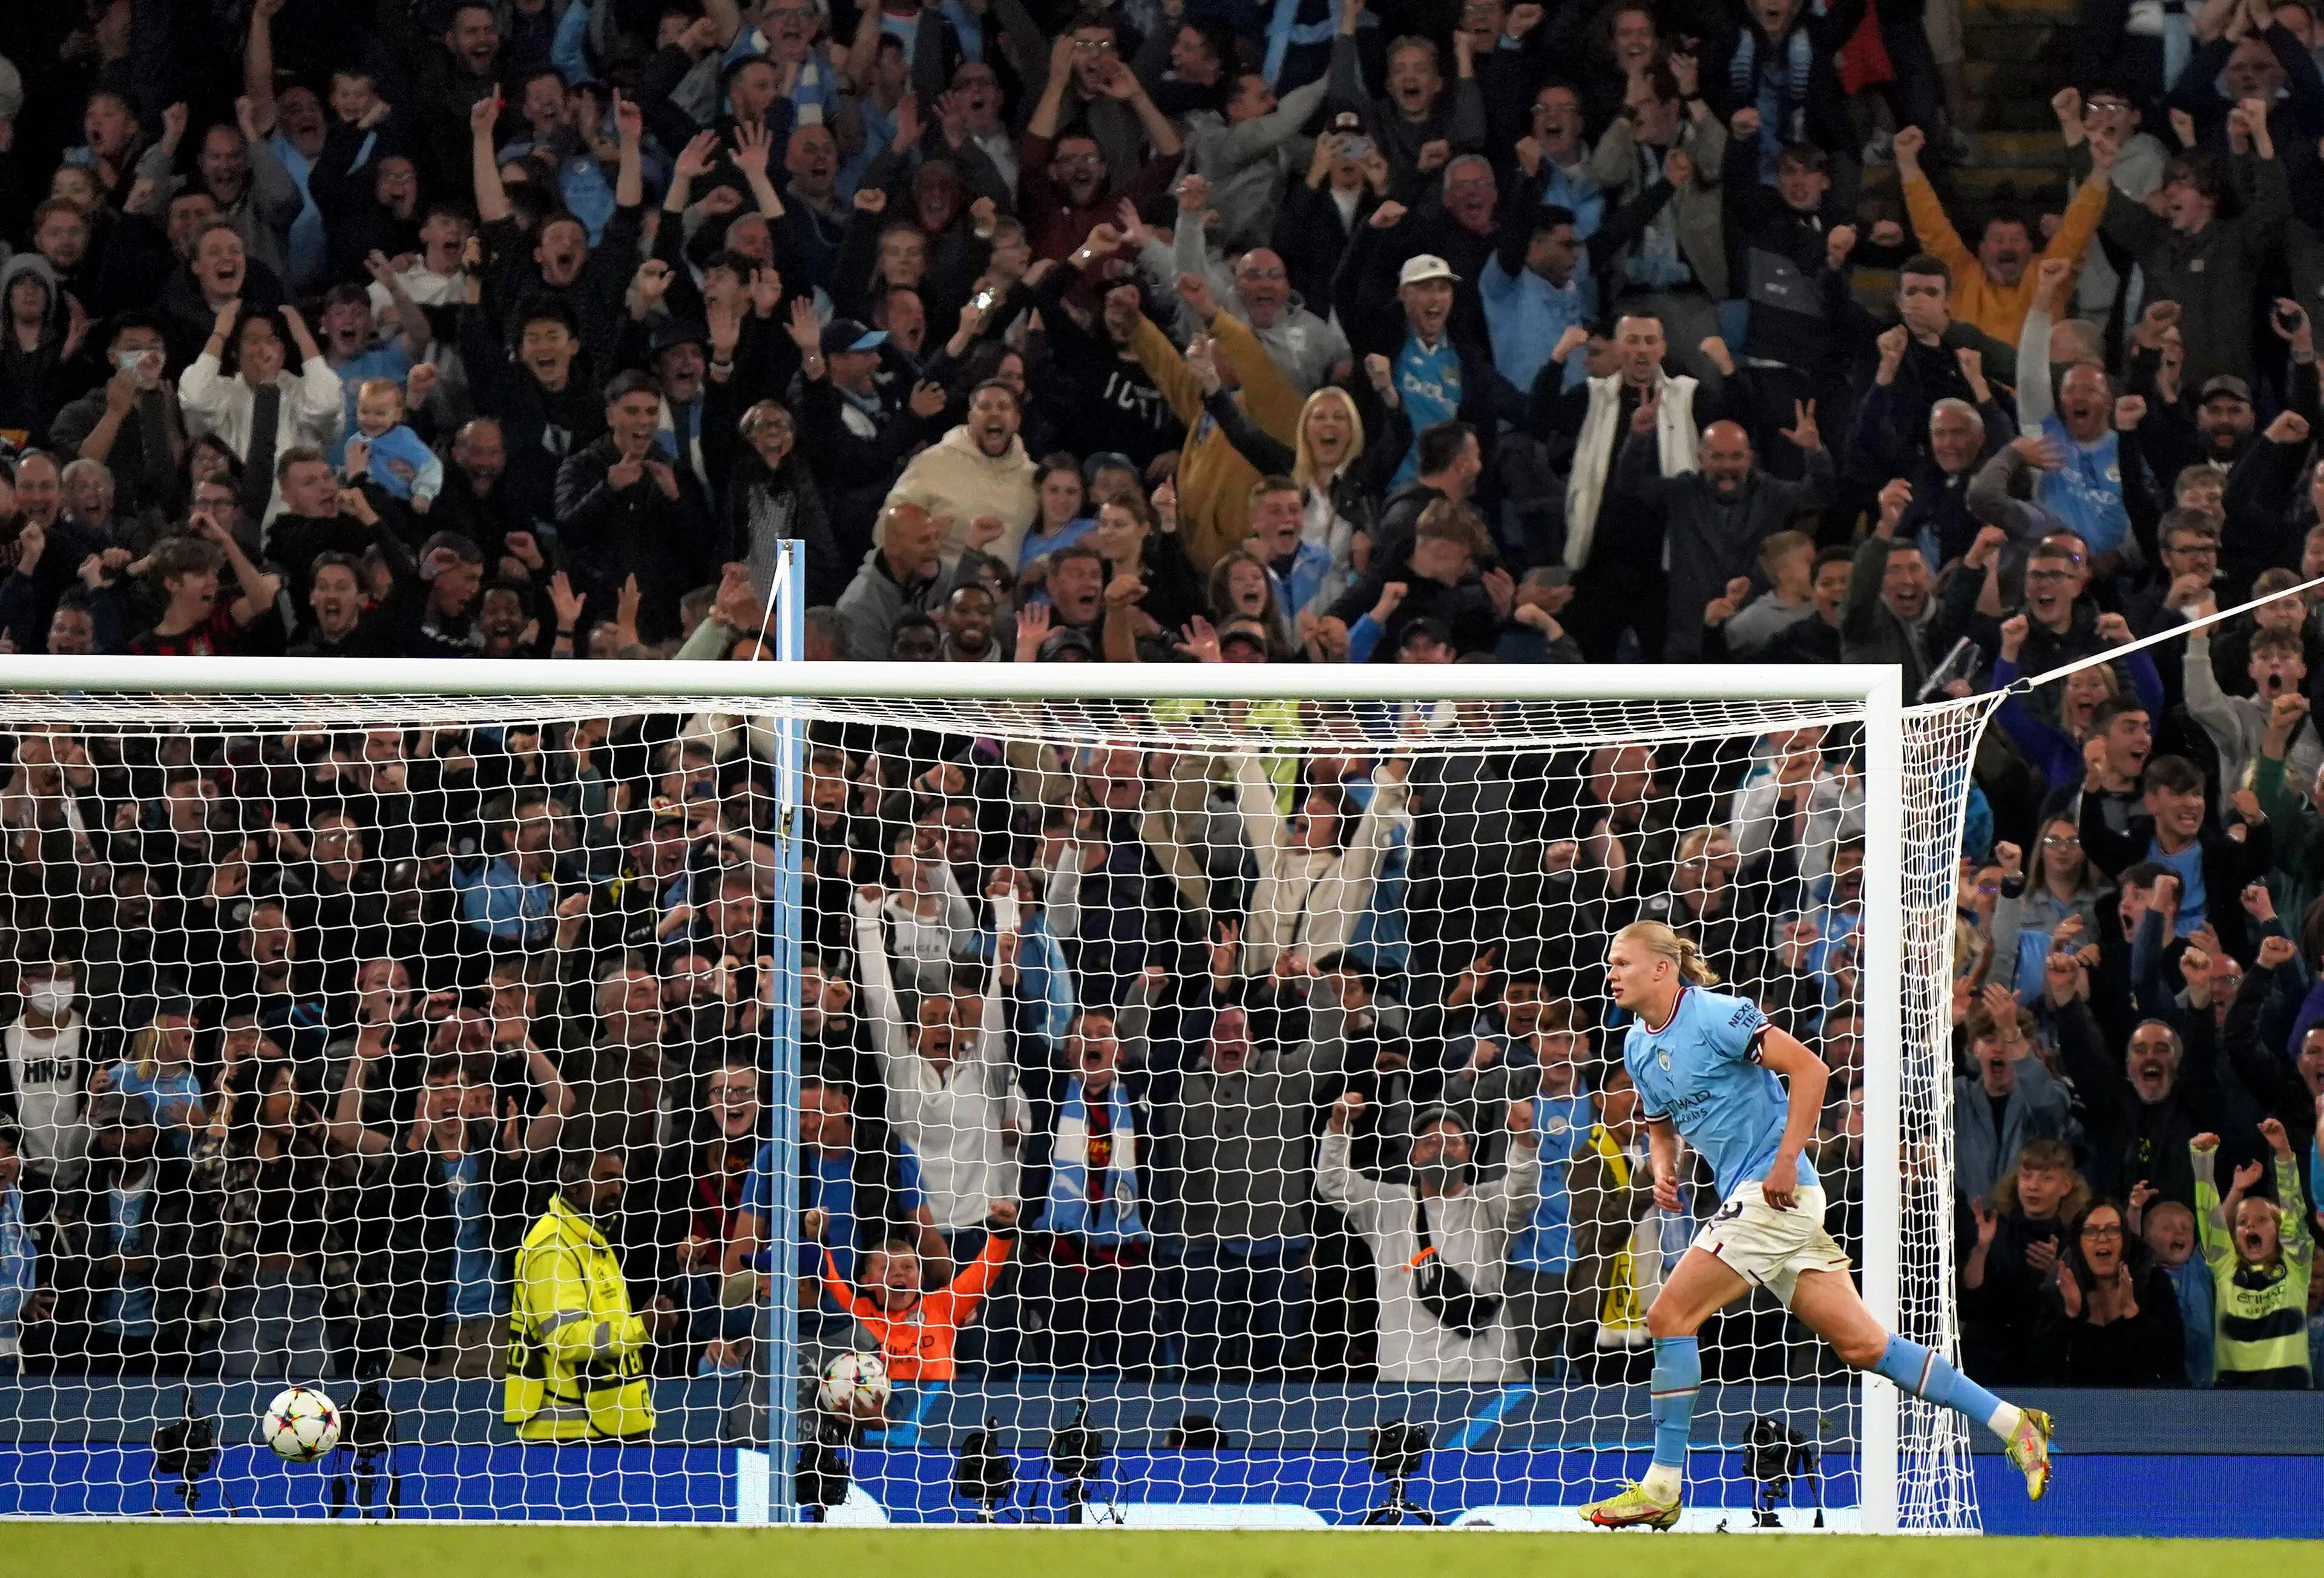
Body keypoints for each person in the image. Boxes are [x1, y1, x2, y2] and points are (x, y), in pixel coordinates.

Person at [1578, 921, 2052, 1529]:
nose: (1610, 972)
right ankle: (2015, 1424)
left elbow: (1811, 1071)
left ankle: (1662, 1485)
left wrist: (1783, 1159)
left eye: (1621, 961)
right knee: (1865, 1345)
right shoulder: (1637, 1046)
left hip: (1775, 1193)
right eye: (1609, 963)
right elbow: (1660, 1121)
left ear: (1662, 969)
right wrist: (1665, 1168)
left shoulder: (1719, 1015)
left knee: (1669, 1316)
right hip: (1759, 1203)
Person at [1316, 1095, 1541, 1381]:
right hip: (1407, 1375)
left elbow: (1522, 1188)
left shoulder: (1491, 1203)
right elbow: (1333, 1183)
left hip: (1487, 1375)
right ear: (1413, 1154)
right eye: (1430, 1142)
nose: (1441, 1150)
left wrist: (1523, 1136)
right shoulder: (1387, 1204)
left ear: (1469, 1152)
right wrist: (1339, 1125)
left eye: (1452, 1142)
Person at [505, 1144, 671, 1441]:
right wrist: (641, 1327)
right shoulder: (553, 1247)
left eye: (620, 1180)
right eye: (607, 1178)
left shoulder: (591, 1237)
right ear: (572, 1181)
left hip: (613, 1421)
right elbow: (565, 1339)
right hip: (572, 1432)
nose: (617, 1189)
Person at [2191, 1123, 2314, 1388]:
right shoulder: (2226, 1270)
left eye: (2262, 1220)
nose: (2250, 1226)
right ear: (2234, 1237)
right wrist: (2202, 1161)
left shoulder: (2295, 1268)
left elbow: (2294, 1214)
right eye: (2243, 1222)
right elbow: (2210, 1221)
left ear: (2279, 1231)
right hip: (2233, 1405)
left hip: (2292, 1404)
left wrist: (2283, 1153)